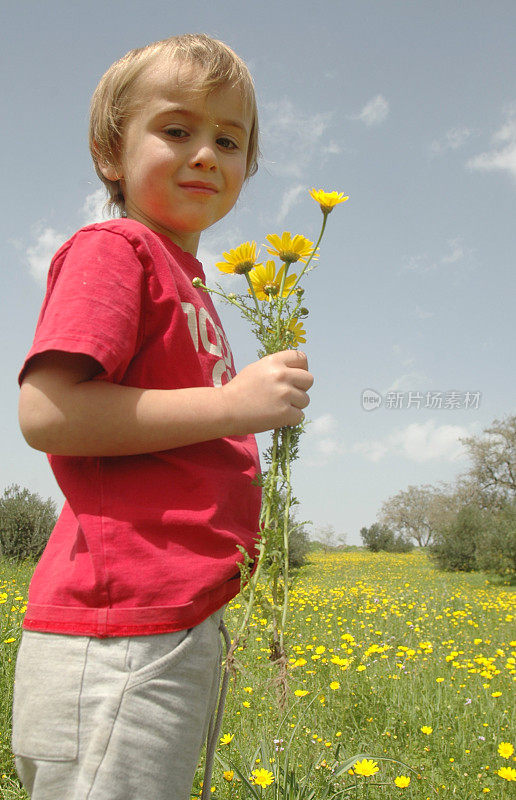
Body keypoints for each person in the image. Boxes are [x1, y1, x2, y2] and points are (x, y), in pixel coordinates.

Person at [12, 33, 313, 800]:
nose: (207, 154)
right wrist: (233, 405)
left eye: (229, 139)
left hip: (167, 620)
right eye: (176, 130)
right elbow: (49, 413)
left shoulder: (188, 278)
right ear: (110, 152)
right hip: (118, 634)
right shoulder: (116, 250)